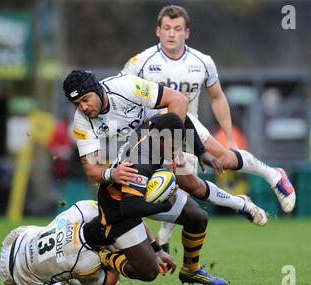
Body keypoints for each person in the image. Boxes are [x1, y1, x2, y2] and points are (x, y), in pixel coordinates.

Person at [120, 4, 296, 250]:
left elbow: (217, 97)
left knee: (222, 159)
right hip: (153, 132)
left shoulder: (202, 62)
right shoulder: (140, 62)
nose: (172, 34)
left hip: (188, 127)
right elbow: (123, 95)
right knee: (174, 187)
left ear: (187, 33)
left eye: (178, 29)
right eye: (167, 28)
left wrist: (231, 137)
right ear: (158, 31)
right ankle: (163, 241)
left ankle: (274, 175)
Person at [63, 69, 267, 228]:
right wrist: (111, 173)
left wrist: (175, 149)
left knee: (223, 160)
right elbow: (91, 169)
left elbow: (178, 100)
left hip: (172, 122)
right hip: (139, 143)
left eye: (85, 99)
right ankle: (240, 204)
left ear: (97, 90)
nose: (83, 107)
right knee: (189, 184)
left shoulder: (124, 86)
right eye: (76, 104)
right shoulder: (81, 121)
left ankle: (272, 174)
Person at [82, 112, 229, 285]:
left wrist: (201, 152)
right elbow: (130, 209)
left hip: (137, 194)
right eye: (173, 145)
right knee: (149, 272)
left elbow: (180, 117)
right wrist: (165, 205)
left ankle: (191, 270)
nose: (175, 150)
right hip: (117, 211)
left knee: (197, 216)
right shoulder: (139, 162)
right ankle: (103, 255)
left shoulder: (155, 125)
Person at [0, 199, 175, 285]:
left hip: (15, 239)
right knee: (75, 274)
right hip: (16, 278)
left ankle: (59, 276)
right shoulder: (86, 262)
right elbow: (106, 284)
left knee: (60, 260)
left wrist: (155, 249)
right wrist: (112, 256)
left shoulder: (82, 210)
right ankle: (57, 282)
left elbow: (122, 218)